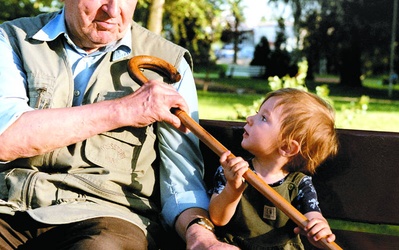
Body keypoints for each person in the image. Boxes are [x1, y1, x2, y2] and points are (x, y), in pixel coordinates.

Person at [0, 0, 236, 249]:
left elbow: (180, 184)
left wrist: (201, 237)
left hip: (109, 217)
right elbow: (6, 137)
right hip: (10, 206)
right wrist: (125, 109)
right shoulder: (14, 38)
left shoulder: (169, 64)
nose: (113, 10)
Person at [209, 88, 338, 249]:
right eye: (257, 113)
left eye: (263, 118)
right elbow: (217, 218)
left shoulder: (300, 185)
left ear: (287, 147)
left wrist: (319, 227)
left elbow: (313, 216)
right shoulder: (233, 170)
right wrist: (232, 189)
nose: (250, 118)